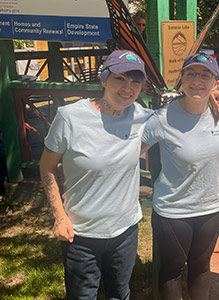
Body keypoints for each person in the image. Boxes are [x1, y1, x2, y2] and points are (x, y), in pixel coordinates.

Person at [40, 49, 152, 300]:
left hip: (125, 231)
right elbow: (46, 168)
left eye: (135, 81)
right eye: (120, 78)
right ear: (103, 79)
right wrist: (59, 217)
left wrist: (212, 92)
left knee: (120, 293)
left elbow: (187, 109)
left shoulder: (142, 117)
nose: (128, 87)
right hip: (80, 233)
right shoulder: (70, 118)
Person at [142, 53, 219, 300]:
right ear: (181, 79)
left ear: (215, 82)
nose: (197, 80)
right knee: (171, 272)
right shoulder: (162, 119)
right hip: (173, 211)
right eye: (191, 74)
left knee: (201, 270)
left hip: (211, 208)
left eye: (205, 75)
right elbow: (130, 149)